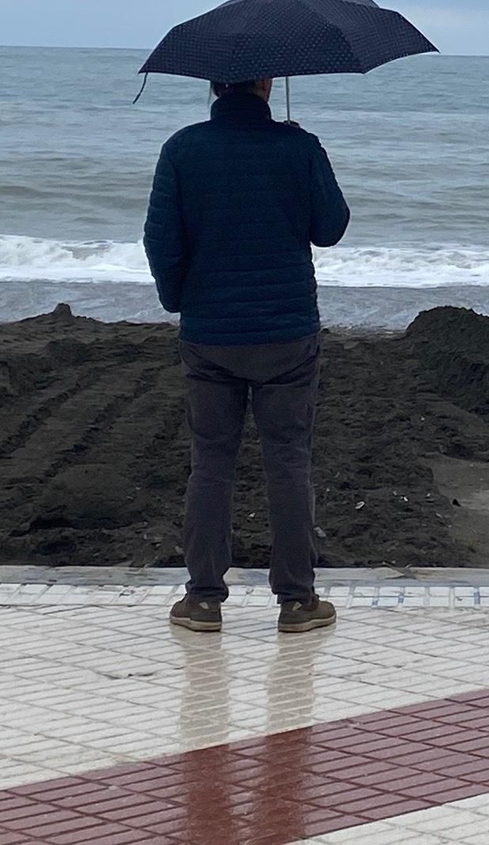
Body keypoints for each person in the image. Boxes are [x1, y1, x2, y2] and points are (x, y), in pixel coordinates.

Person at [144, 76, 350, 634]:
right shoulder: (297, 146)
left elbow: (161, 240)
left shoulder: (183, 148)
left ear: (214, 85)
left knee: (210, 461)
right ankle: (297, 600)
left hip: (210, 332)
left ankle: (204, 599)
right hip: (287, 331)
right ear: (267, 84)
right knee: (288, 460)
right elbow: (330, 229)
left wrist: (178, 300)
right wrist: (309, 152)